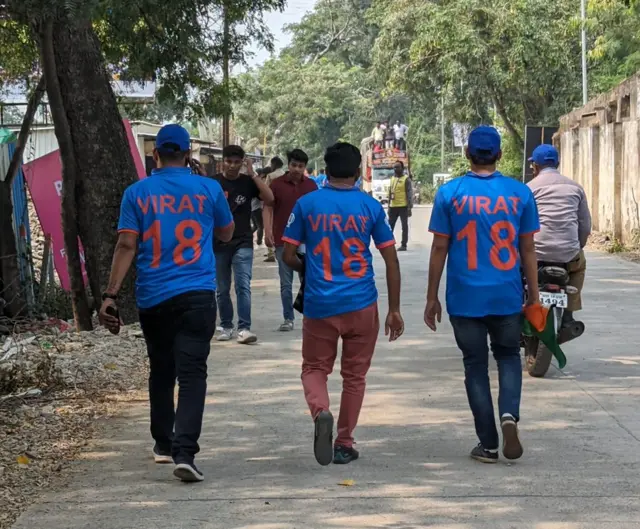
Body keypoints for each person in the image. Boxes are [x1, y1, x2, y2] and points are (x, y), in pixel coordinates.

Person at [99, 124, 235, 482]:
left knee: (161, 370)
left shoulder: (137, 193)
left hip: (154, 297)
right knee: (192, 374)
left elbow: (126, 245)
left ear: (155, 155)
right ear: (188, 154)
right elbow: (226, 232)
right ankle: (185, 452)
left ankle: (163, 443)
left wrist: (110, 295)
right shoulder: (209, 188)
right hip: (197, 295)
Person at [281, 142, 404, 466]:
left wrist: (308, 268)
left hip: (320, 304)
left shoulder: (307, 204)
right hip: (362, 304)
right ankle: (344, 443)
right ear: (356, 169)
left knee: (314, 368)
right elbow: (391, 260)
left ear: (326, 167)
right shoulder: (370, 207)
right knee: (354, 377)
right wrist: (394, 309)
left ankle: (321, 411)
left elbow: (288, 255)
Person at [424, 125, 541, 464]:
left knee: (475, 366)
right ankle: (509, 415)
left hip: (464, 297)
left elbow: (439, 248)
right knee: (507, 357)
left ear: (467, 154)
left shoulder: (450, 193)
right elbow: (529, 248)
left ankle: (488, 444)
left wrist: (432, 297)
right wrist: (533, 296)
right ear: (500, 155)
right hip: (505, 296)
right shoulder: (520, 193)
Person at [527, 144, 591, 335]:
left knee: (514, 270)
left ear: (535, 167)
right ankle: (569, 315)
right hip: (568, 255)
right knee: (579, 266)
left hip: (534, 254)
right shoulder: (575, 187)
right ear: (558, 164)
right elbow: (585, 225)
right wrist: (577, 247)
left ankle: (516, 310)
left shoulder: (528, 188)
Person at [213, 145, 274, 344]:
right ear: (223, 162)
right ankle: (226, 325)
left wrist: (253, 173)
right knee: (222, 288)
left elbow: (269, 198)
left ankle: (244, 328)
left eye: (237, 162)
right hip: (219, 243)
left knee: (242, 286)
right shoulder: (214, 183)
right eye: (229, 161)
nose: (232, 166)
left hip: (243, 241)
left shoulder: (248, 182)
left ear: (242, 162)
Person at [264, 149, 318, 331]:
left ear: (305, 167)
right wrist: (267, 231)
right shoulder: (277, 184)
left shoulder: (311, 186)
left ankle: (309, 316)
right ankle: (288, 318)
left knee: (309, 279)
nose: (296, 169)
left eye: (300, 166)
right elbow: (268, 207)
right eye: (293, 165)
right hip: (283, 239)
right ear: (288, 165)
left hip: (307, 241)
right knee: (285, 283)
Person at [387, 161, 413, 251]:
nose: (395, 169)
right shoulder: (392, 178)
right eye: (394, 167)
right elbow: (390, 192)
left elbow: (409, 193)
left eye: (397, 167)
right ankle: (389, 243)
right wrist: (389, 206)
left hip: (403, 206)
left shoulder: (406, 179)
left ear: (402, 168)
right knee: (390, 226)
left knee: (404, 226)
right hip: (393, 206)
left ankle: (404, 245)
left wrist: (410, 207)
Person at [264, 156, 286, 263]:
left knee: (270, 226)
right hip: (284, 205)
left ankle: (271, 252)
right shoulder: (285, 174)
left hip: (272, 205)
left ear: (274, 164)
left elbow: (265, 191)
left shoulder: (271, 176)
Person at [251, 168, 267, 247]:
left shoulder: (253, 182)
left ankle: (249, 236)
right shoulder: (258, 183)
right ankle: (259, 241)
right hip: (256, 207)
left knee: (255, 225)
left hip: (252, 207)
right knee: (260, 226)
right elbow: (260, 196)